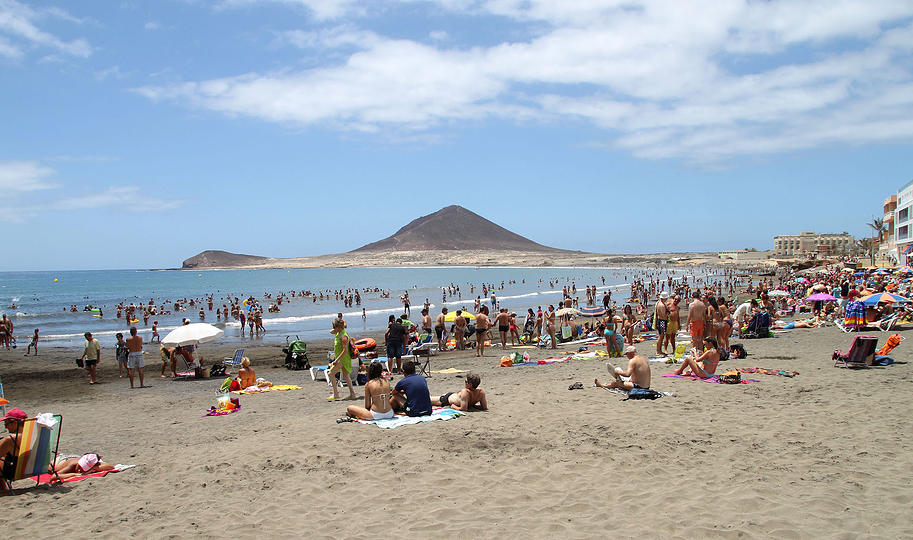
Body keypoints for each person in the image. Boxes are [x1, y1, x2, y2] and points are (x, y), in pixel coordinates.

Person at [328, 318, 357, 401]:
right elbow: (331, 331)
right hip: (341, 358)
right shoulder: (339, 333)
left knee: (331, 374)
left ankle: (336, 393)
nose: (333, 328)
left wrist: (336, 360)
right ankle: (352, 394)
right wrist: (335, 329)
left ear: (338, 327)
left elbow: (345, 350)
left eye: (334, 326)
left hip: (342, 359)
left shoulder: (343, 336)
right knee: (346, 375)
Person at [52, 453, 116, 482]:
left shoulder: (92, 465)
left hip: (73, 457)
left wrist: (94, 468)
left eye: (83, 469)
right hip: (59, 462)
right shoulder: (72, 465)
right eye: (79, 467)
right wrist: (74, 474)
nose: (79, 471)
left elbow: (111, 467)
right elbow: (53, 477)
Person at [654, 292, 669, 356]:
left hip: (661, 321)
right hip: (662, 321)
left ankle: (659, 350)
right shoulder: (662, 305)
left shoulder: (659, 303)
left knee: (661, 336)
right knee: (661, 336)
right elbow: (663, 315)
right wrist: (668, 314)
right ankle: (658, 350)